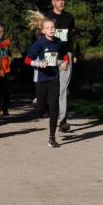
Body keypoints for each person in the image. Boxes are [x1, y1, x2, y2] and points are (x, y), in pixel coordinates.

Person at [24, 18, 66, 147]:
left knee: (54, 107)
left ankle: (52, 138)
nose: (51, 30)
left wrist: (65, 62)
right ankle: (37, 102)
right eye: (48, 28)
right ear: (43, 30)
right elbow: (27, 60)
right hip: (41, 78)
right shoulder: (40, 43)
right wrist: (39, 64)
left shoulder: (58, 41)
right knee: (41, 110)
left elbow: (64, 54)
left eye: (52, 27)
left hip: (54, 78)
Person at [49, 0, 77, 132]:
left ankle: (63, 120)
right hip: (51, 55)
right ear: (53, 2)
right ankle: (49, 109)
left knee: (64, 88)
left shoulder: (69, 17)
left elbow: (72, 37)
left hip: (66, 55)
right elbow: (40, 36)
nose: (61, 2)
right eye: (58, 0)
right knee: (52, 87)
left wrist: (73, 53)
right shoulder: (47, 17)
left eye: (63, 0)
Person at [0, 23, 13, 117]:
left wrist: (9, 62)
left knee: (6, 90)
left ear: (4, 32)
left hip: (6, 70)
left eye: (1, 31)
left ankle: (5, 107)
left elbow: (13, 55)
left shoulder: (8, 42)